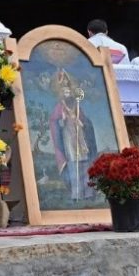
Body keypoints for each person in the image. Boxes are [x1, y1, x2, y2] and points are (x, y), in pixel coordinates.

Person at [48, 70, 98, 201]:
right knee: (73, 165)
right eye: (64, 92)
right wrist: (62, 120)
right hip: (68, 139)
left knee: (84, 164)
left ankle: (87, 193)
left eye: (69, 91)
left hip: (80, 138)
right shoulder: (60, 107)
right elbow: (54, 121)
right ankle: (76, 194)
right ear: (60, 93)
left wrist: (83, 123)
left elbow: (85, 122)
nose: (67, 93)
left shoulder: (76, 104)